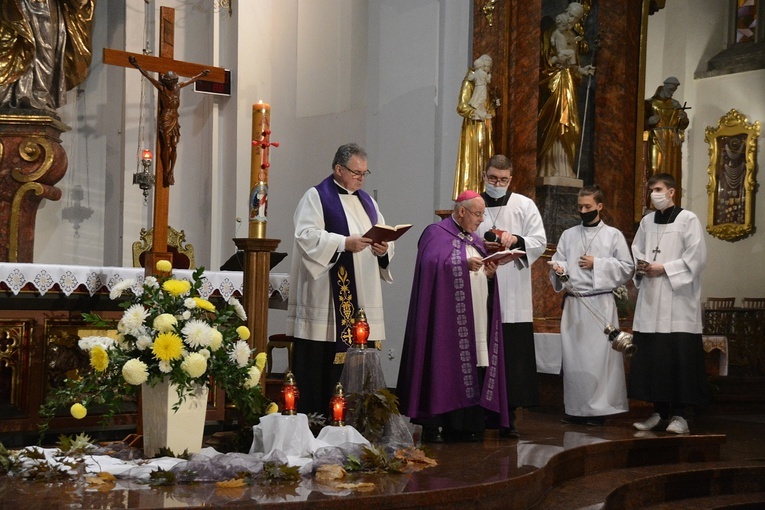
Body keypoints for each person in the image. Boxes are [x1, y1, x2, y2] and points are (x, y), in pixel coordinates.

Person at [286, 143, 394, 415]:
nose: (361, 178)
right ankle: (317, 418)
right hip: (327, 303)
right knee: (322, 367)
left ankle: (357, 418)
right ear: (338, 169)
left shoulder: (367, 201)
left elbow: (382, 232)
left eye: (364, 173)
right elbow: (306, 236)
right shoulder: (316, 197)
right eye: (356, 172)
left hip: (362, 298)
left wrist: (384, 249)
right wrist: (343, 243)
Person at [397, 191, 510, 443]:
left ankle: (466, 425)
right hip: (444, 322)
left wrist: (490, 274)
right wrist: (460, 264)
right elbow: (430, 264)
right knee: (442, 362)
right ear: (461, 211)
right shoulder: (435, 233)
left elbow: (481, 276)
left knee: (476, 361)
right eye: (478, 214)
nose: (482, 220)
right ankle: (433, 423)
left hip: (477, 317)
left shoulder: (476, 241)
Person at [630, 173, 708, 434]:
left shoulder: (688, 220)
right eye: (651, 189)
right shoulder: (647, 221)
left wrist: (664, 268)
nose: (654, 194)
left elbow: (696, 257)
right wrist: (642, 265)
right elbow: (637, 249)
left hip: (678, 301)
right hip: (651, 300)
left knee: (678, 357)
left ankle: (680, 416)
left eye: (659, 189)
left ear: (672, 192)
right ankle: (658, 411)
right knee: (653, 356)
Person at [475, 155, 547, 438]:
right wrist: (483, 244)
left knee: (511, 354)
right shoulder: (473, 204)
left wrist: (515, 240)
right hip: (481, 281)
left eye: (503, 180)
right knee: (482, 349)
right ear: (484, 175)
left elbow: (539, 241)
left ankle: (510, 417)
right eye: (493, 178)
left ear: (511, 179)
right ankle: (478, 413)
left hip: (512, 287)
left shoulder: (523, 204)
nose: (498, 184)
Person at [550, 185, 633, 425]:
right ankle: (576, 409)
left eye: (588, 206)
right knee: (574, 359)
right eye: (580, 207)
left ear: (600, 206)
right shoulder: (569, 234)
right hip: (575, 304)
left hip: (600, 302)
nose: (583, 210)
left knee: (598, 359)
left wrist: (598, 263)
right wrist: (559, 269)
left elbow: (626, 268)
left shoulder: (613, 235)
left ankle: (598, 411)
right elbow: (560, 261)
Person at [0, 0, 96, 112]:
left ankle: (37, 95)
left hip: (44, 5)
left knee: (44, 49)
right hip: (13, 5)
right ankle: (11, 95)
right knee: (13, 44)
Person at [128, 55, 210, 186]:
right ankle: (166, 170)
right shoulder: (162, 88)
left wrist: (201, 74)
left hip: (174, 117)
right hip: (166, 117)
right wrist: (137, 64)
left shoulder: (178, 87)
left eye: (174, 81)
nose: (173, 84)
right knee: (166, 145)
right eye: (171, 82)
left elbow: (191, 80)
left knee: (174, 145)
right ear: (167, 82)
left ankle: (171, 171)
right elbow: (148, 76)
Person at [538, 2, 594, 179]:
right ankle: (549, 167)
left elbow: (574, 65)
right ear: (565, 12)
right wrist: (556, 60)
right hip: (555, 82)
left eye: (575, 19)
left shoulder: (571, 36)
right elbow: (547, 60)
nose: (571, 21)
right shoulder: (552, 33)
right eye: (570, 16)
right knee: (557, 121)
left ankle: (565, 168)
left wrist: (583, 71)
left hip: (568, 81)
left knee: (571, 125)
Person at [453, 54, 496, 201]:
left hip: (485, 126)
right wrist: (474, 112)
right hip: (473, 127)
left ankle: (486, 193)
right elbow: (461, 107)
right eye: (487, 66)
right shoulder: (469, 82)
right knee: (473, 158)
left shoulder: (484, 83)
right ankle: (471, 194)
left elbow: (486, 103)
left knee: (485, 158)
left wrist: (492, 107)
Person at [644, 77, 689, 206]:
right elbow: (639, 123)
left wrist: (683, 119)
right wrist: (648, 122)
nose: (671, 93)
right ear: (663, 87)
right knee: (655, 168)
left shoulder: (675, 104)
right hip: (656, 138)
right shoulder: (649, 103)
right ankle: (651, 204)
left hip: (672, 141)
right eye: (670, 89)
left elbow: (682, 125)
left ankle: (673, 202)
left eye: (673, 90)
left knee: (672, 170)